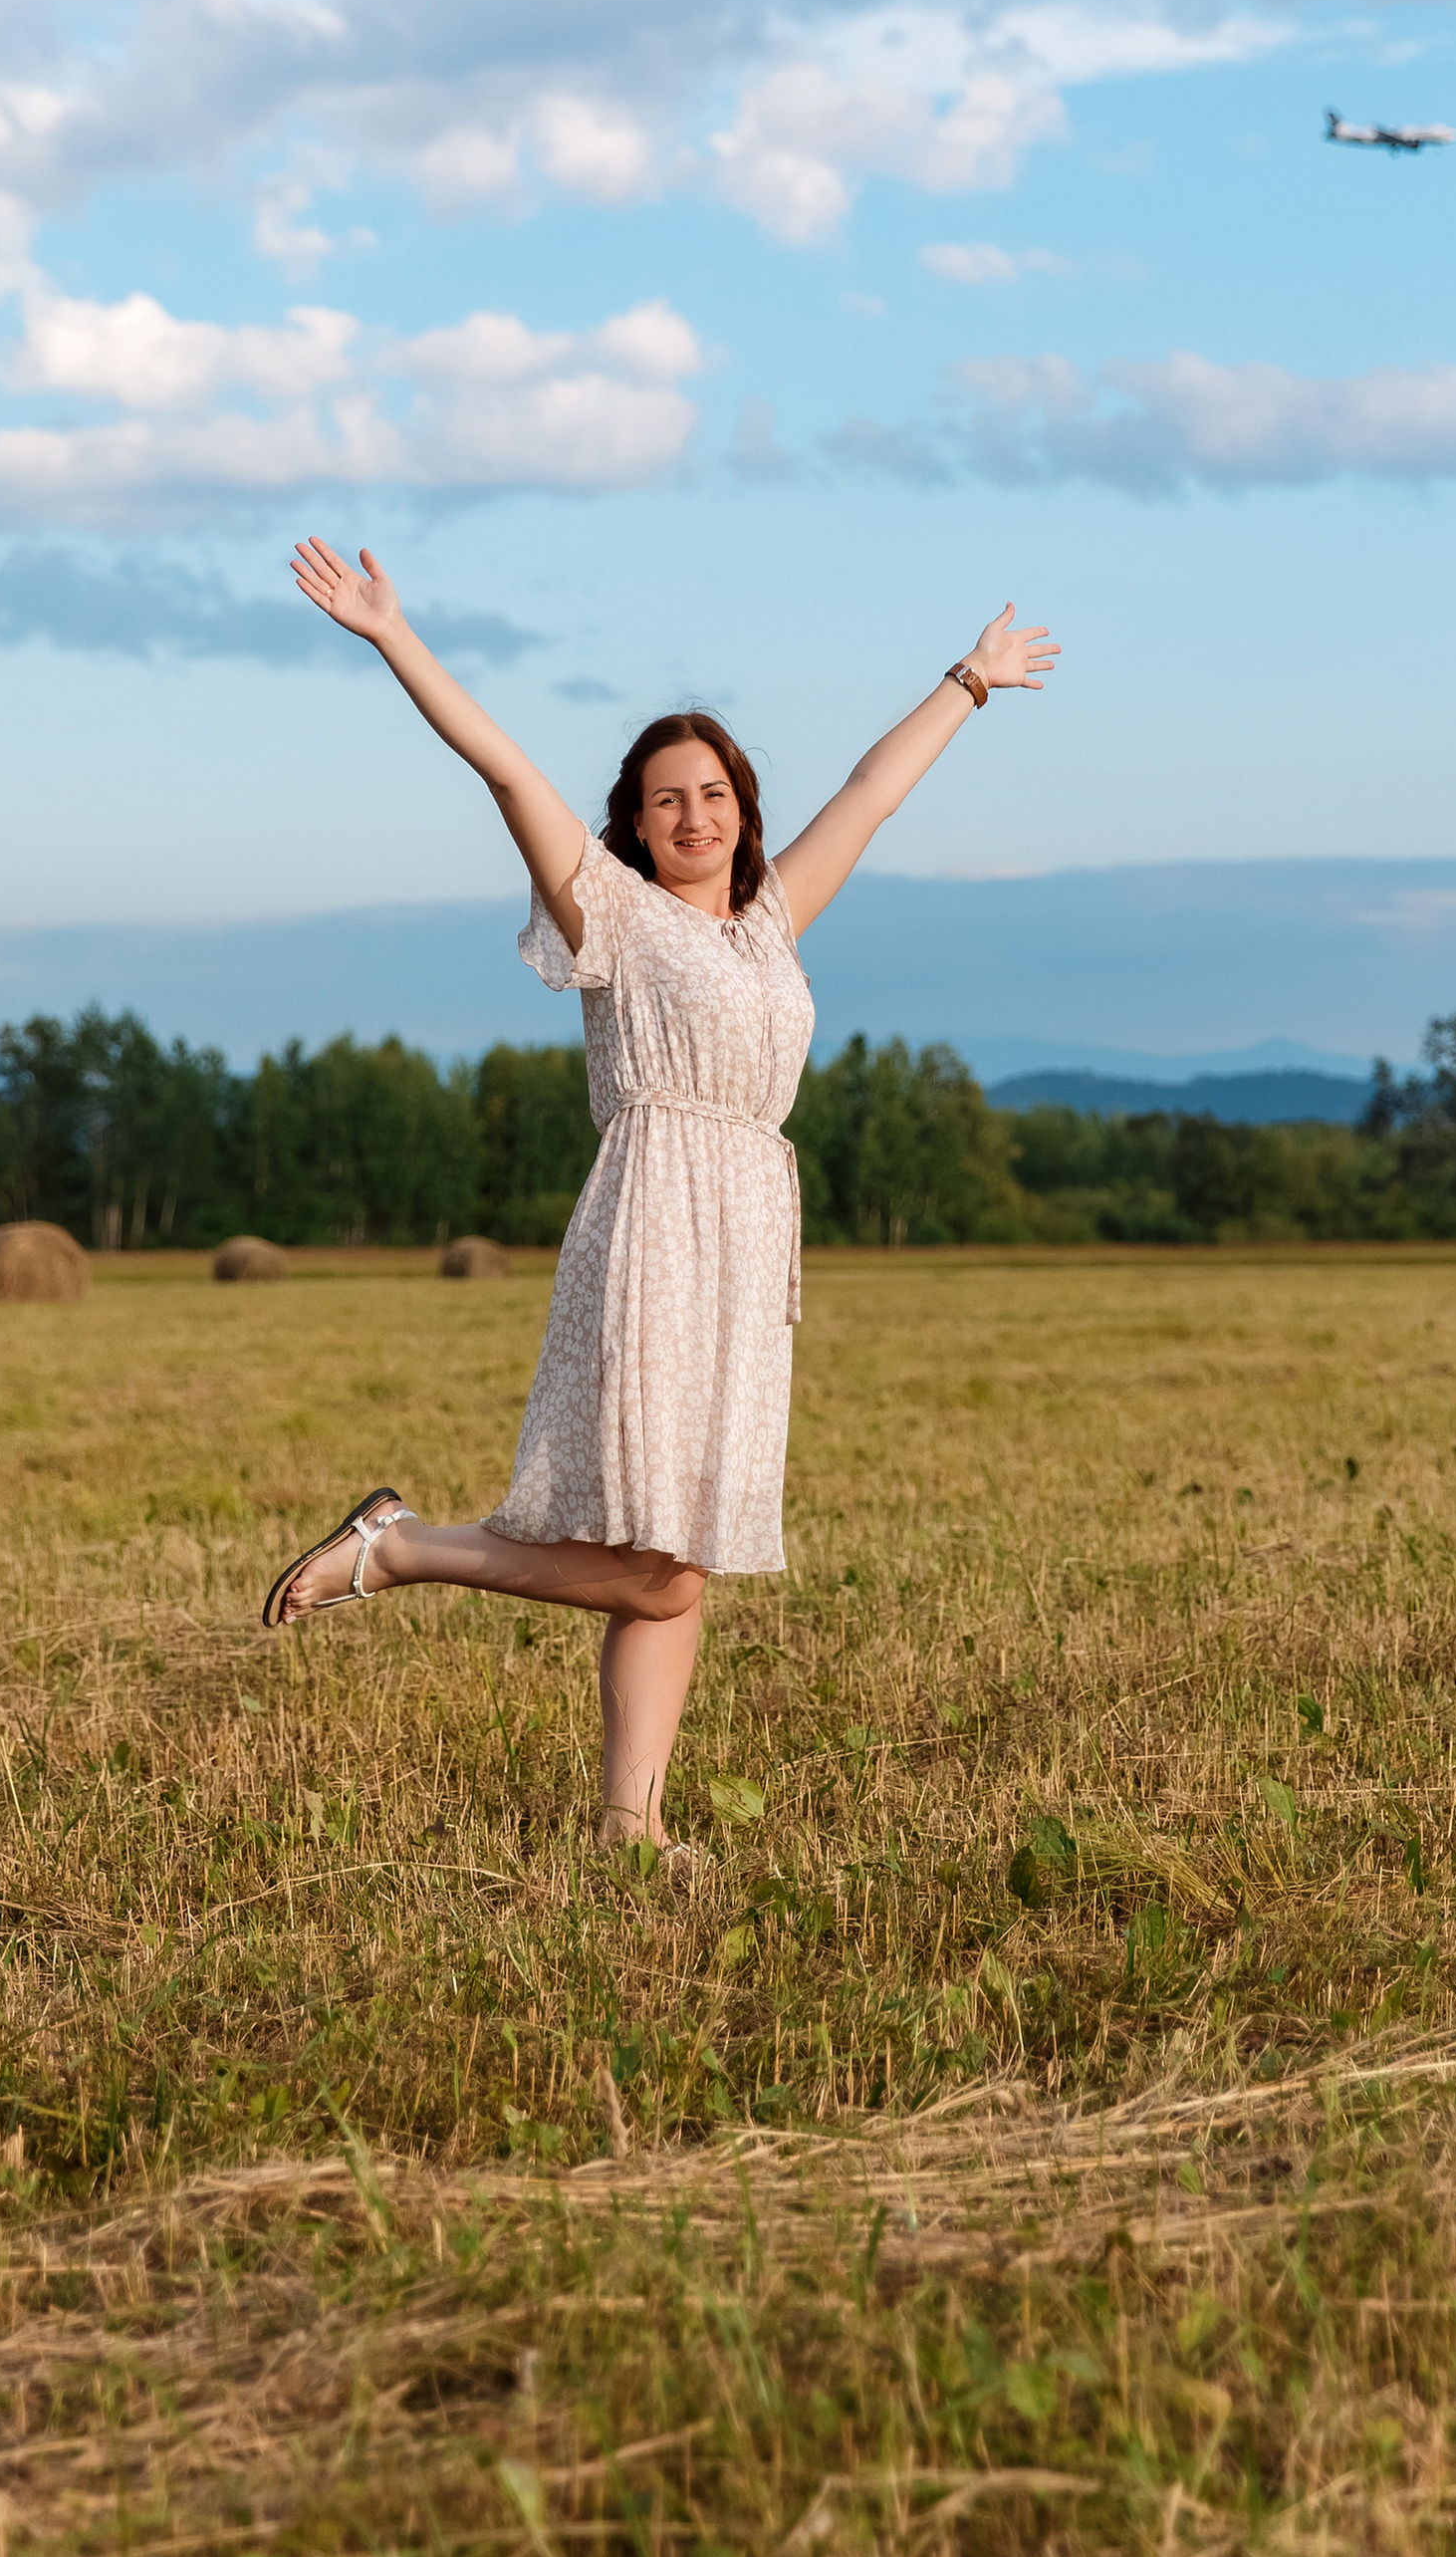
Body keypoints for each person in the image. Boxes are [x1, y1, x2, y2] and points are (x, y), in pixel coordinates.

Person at [259, 538, 1060, 1849]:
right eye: (665, 800)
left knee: (678, 1572)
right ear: (631, 822)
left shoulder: (771, 921)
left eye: (714, 793)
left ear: (741, 803)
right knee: (666, 1560)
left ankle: (628, 1825)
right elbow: (506, 766)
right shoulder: (613, 918)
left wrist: (968, 682)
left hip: (751, 1236)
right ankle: (399, 1549)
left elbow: (870, 792)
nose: (695, 816)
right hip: (659, 1223)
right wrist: (396, 638)